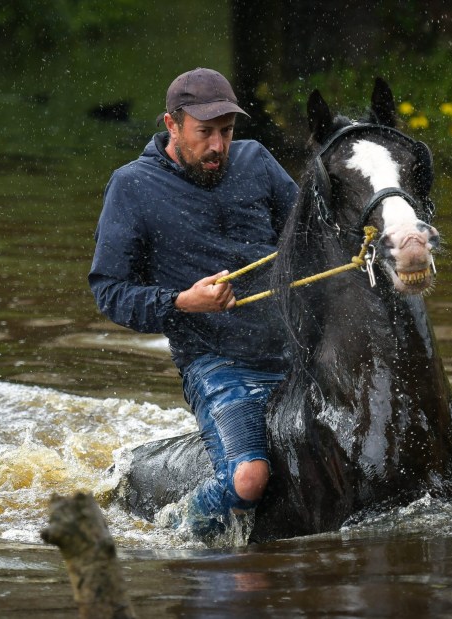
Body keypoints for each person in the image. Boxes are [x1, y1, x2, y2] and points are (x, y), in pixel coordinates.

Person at [89, 68, 299, 537]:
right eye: (205, 133)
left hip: (296, 352)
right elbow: (109, 292)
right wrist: (182, 301)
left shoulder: (258, 161)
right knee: (249, 478)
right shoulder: (131, 185)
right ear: (172, 124)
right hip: (217, 363)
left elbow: (309, 240)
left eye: (227, 132)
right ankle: (177, 528)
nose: (219, 146)